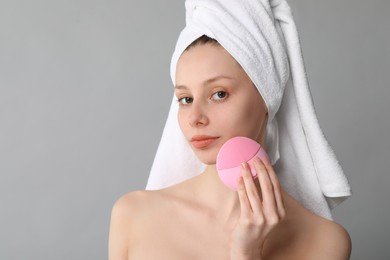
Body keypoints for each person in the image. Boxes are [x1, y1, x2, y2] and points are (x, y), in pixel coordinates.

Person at [109, 0, 352, 259]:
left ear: (266, 97)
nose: (195, 118)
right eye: (185, 99)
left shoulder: (324, 241)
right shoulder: (133, 216)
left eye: (219, 94)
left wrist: (245, 254)